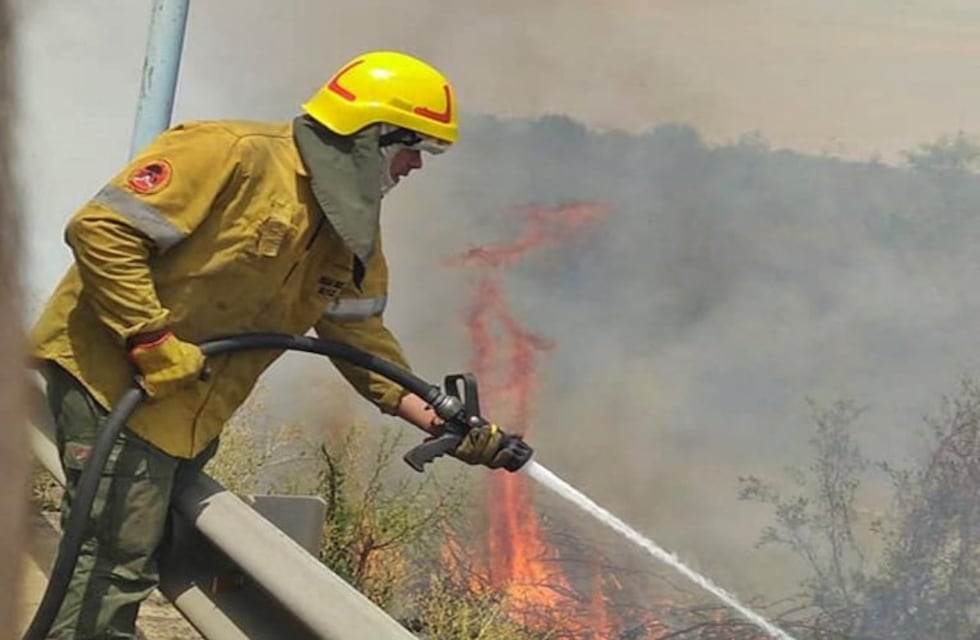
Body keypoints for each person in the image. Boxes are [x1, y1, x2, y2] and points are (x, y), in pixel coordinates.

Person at [30, 50, 526, 639]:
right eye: (412, 147)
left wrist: (444, 421)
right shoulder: (228, 153)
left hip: (188, 408)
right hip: (111, 380)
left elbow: (357, 336)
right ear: (369, 137)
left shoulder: (349, 230)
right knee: (114, 561)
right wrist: (150, 337)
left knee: (139, 551)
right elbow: (102, 231)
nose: (416, 166)